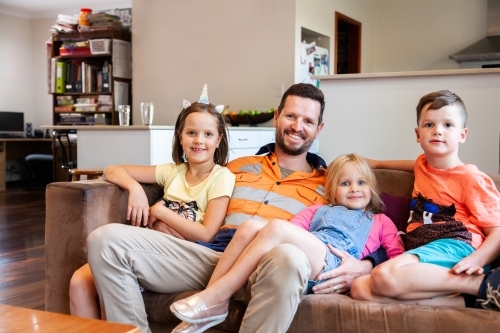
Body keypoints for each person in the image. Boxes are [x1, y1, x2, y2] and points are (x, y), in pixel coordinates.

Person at [86, 83, 387, 333]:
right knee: (105, 240)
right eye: (291, 116)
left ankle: (214, 300)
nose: (297, 127)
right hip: (211, 257)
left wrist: (368, 265)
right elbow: (193, 191)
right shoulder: (235, 167)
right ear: (276, 117)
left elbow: (368, 223)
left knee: (291, 257)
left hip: (271, 268)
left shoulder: (332, 184)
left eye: (308, 121)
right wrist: (161, 214)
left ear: (318, 129)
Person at [169, 153, 405, 331]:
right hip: (309, 256)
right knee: (250, 226)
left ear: (371, 189)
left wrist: (367, 267)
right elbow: (289, 235)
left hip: (335, 263)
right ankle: (209, 305)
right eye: (345, 183)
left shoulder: (381, 221)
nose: (354, 189)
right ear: (332, 190)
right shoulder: (318, 210)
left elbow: (398, 259)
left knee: (277, 227)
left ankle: (215, 297)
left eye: (361, 183)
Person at [69, 87, 235, 319]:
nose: (199, 140)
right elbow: (112, 170)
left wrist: (161, 212)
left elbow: (207, 233)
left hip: (186, 255)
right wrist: (134, 188)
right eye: (191, 133)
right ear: (180, 136)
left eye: (208, 134)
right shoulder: (172, 171)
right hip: (151, 244)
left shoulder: (221, 177)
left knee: (104, 241)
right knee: (79, 282)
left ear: (219, 140)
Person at [350, 90, 500, 310]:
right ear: (418, 134)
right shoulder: (422, 165)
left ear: (463, 134)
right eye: (429, 125)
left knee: (384, 276)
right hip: (424, 250)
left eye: (448, 125)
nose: (438, 131)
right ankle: (466, 301)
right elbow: (412, 165)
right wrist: (378, 164)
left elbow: (497, 231)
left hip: (456, 246)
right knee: (360, 289)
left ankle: (483, 285)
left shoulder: (472, 178)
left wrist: (478, 261)